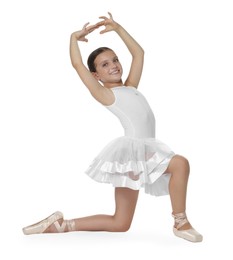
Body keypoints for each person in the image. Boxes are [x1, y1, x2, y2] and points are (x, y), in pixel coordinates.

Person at [22, 12, 203, 242]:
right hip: (135, 150)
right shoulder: (106, 94)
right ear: (96, 75)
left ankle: (61, 225)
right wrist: (73, 38)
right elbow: (78, 65)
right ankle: (180, 221)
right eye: (105, 65)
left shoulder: (130, 86)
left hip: (137, 155)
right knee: (180, 164)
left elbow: (139, 53)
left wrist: (118, 28)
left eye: (115, 60)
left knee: (120, 223)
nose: (114, 66)